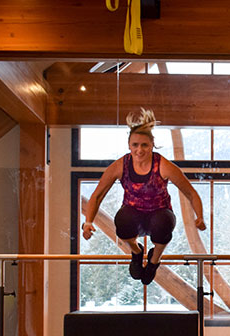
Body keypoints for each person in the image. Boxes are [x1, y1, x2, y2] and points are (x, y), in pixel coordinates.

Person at [82, 109, 206, 285]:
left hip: (160, 215)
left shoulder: (163, 165)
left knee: (162, 221)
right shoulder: (121, 166)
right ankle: (136, 251)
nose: (139, 150)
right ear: (129, 145)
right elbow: (97, 195)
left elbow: (190, 192)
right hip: (134, 217)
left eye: (144, 145)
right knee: (122, 219)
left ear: (152, 145)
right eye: (135, 145)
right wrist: (88, 222)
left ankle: (154, 260)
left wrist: (199, 216)